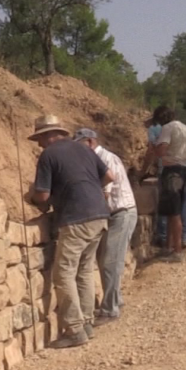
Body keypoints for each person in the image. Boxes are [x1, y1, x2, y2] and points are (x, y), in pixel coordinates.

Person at [27, 115, 114, 349]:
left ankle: (74, 329)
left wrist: (33, 198)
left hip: (77, 218)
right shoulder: (84, 149)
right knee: (84, 270)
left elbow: (43, 196)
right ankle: (87, 324)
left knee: (63, 273)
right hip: (100, 214)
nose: (38, 144)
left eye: (39, 138)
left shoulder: (48, 156)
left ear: (48, 135)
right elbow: (108, 177)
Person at [75, 128, 138, 326]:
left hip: (121, 213)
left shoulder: (106, 159)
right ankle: (115, 300)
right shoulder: (97, 159)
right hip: (112, 214)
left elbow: (105, 193)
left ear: (90, 142)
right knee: (106, 259)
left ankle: (110, 309)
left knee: (111, 260)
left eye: (80, 145)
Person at [142, 107, 186, 261]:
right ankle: (168, 247)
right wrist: (185, 161)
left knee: (174, 213)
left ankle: (177, 252)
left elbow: (160, 152)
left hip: (172, 172)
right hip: (185, 172)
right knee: (173, 209)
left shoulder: (167, 128)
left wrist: (156, 148)